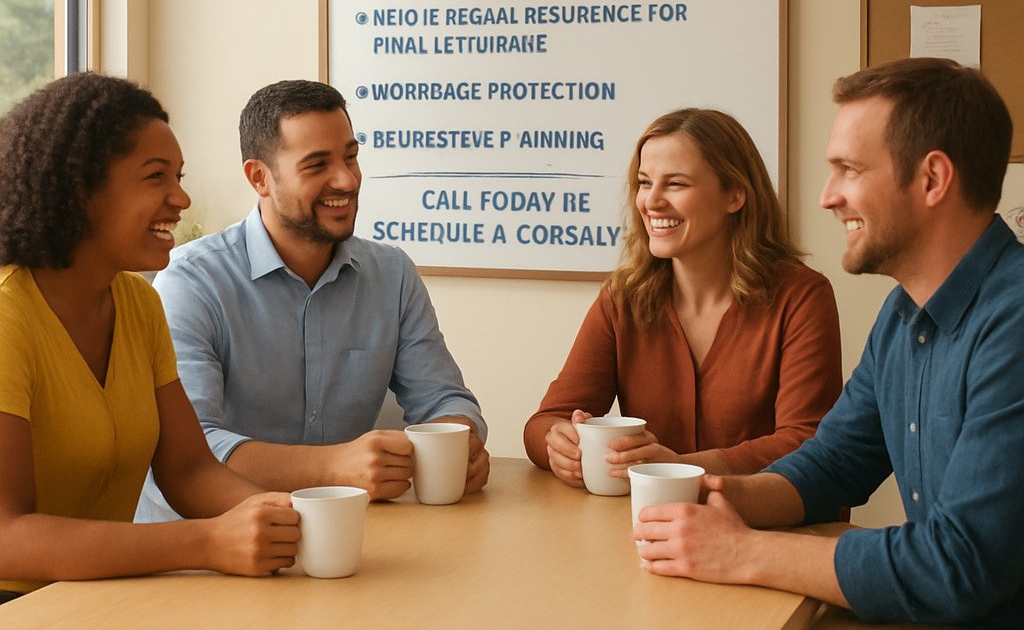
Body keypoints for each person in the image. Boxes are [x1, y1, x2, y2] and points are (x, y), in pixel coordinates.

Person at [635, 59, 1024, 628]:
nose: (826, 196)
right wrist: (717, 498)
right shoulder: (903, 314)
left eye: (848, 169)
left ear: (933, 179)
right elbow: (835, 463)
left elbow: (957, 565)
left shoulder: (1013, 321)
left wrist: (742, 552)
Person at [0, 73, 299, 602]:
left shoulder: (139, 304)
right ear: (79, 188)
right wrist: (206, 542)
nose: (180, 198)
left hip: (96, 599)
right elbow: (7, 536)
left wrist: (286, 517)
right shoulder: (7, 316)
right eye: (155, 176)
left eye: (178, 176)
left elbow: (187, 470)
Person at [137, 79, 487, 521]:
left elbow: (445, 401)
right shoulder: (190, 282)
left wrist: (459, 443)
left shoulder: (392, 274)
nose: (346, 178)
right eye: (317, 164)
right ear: (259, 178)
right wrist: (332, 468)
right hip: (203, 548)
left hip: (345, 537)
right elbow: (194, 448)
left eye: (351, 156)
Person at [524, 108, 842, 485]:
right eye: (644, 183)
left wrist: (682, 467)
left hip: (768, 529)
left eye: (675, 184)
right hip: (652, 527)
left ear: (735, 194)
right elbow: (545, 422)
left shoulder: (802, 296)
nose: (651, 202)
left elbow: (808, 442)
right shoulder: (622, 298)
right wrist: (558, 445)